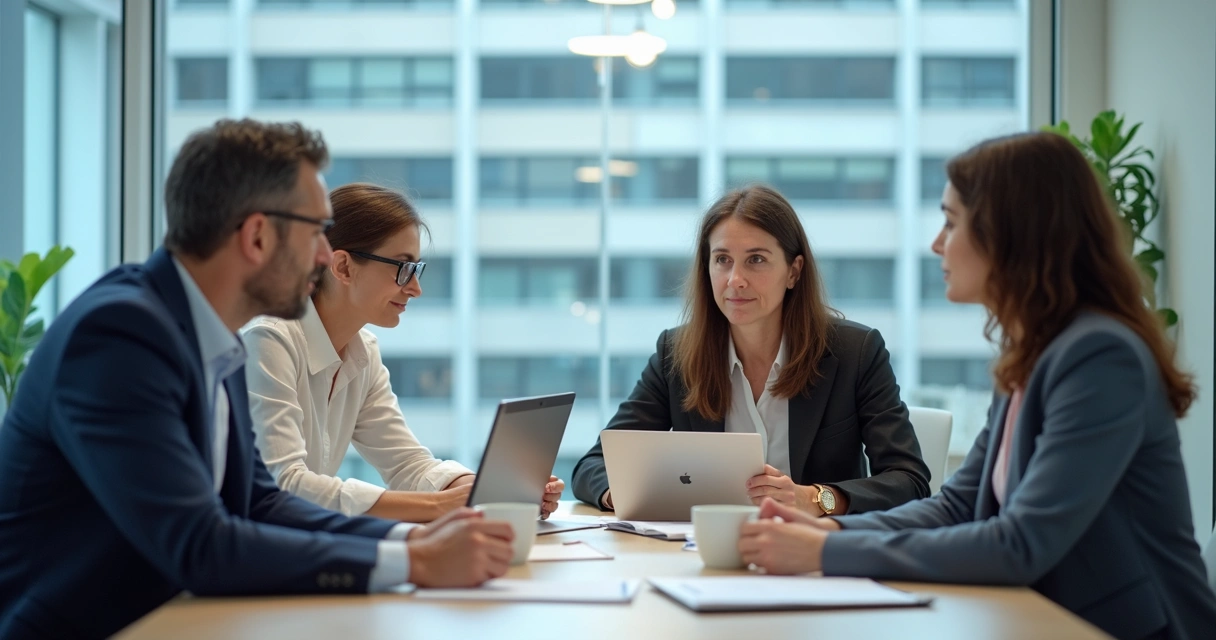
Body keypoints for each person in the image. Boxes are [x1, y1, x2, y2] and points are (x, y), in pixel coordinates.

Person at [0, 120, 514, 639]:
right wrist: (414, 563)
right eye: (315, 231)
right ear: (258, 236)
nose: (324, 256)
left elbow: (260, 502)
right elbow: (199, 543)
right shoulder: (120, 335)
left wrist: (410, 541)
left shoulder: (207, 332)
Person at [738, 132, 1216, 640]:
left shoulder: (1099, 356)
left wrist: (827, 549)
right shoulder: (1033, 353)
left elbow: (1021, 543)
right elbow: (957, 507)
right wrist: (830, 527)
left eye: (951, 222)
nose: (937, 244)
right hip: (1040, 620)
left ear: (1009, 233)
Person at [572, 185, 931, 516]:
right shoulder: (676, 355)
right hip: (704, 549)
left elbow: (909, 481)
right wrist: (621, 493)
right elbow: (593, 466)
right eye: (722, 259)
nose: (735, 280)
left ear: (794, 271)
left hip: (815, 551)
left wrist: (815, 498)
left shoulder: (855, 353)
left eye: (756, 259)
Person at [243, 182, 563, 522]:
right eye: (402, 268)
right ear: (343, 267)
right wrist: (440, 505)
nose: (415, 288)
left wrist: (491, 491)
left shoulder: (363, 352)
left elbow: (407, 464)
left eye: (416, 269)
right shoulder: (269, 340)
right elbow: (285, 484)